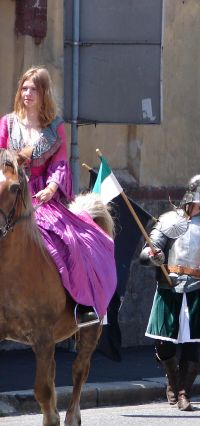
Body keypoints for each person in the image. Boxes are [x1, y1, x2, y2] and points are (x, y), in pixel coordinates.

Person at [0, 66, 116, 327]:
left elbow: (61, 161)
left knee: (71, 241)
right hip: (11, 195)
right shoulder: (7, 123)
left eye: (34, 89)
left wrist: (53, 186)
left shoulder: (55, 127)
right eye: (24, 87)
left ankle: (82, 305)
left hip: (43, 197)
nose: (27, 93)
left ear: (44, 93)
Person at [140, 173, 200, 411]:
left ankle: (184, 393)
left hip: (198, 287)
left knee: (192, 343)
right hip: (169, 285)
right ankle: (172, 379)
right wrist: (154, 256)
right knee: (164, 343)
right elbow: (146, 253)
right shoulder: (168, 219)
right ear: (192, 194)